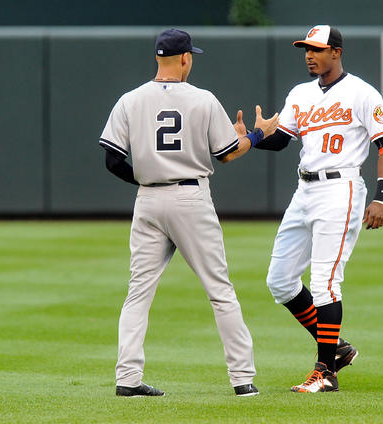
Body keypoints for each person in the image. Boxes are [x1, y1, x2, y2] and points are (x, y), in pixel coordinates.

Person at [98, 28, 279, 397]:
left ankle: (127, 379)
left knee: (138, 293)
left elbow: (112, 159)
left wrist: (149, 181)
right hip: (190, 199)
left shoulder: (130, 100)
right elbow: (227, 153)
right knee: (220, 290)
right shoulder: (203, 99)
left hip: (148, 199)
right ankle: (242, 379)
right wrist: (257, 135)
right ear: (185, 58)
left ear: (157, 57)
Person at [253, 25, 383, 393]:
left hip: (341, 188)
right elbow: (280, 140)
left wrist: (381, 197)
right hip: (304, 190)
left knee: (324, 283)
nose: (309, 55)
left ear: (336, 52)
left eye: (316, 49)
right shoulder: (300, 93)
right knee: (280, 280)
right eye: (305, 49)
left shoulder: (362, 93)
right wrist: (254, 136)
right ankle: (338, 349)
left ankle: (325, 371)